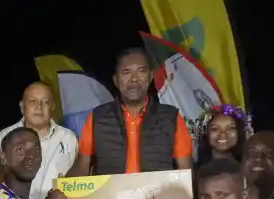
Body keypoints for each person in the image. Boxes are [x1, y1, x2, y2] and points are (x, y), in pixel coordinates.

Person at [67, 47, 193, 177]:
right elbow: (82, 167)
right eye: (126, 72)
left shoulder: (171, 117)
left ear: (150, 77)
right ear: (116, 80)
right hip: (110, 195)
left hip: (157, 196)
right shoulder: (97, 117)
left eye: (141, 71)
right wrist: (65, 186)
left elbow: (185, 171)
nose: (134, 79)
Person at [0, 82, 78, 199]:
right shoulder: (4, 137)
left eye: (45, 102)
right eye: (33, 101)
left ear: (53, 108)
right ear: (22, 107)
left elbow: (75, 179)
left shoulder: (68, 139)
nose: (39, 107)